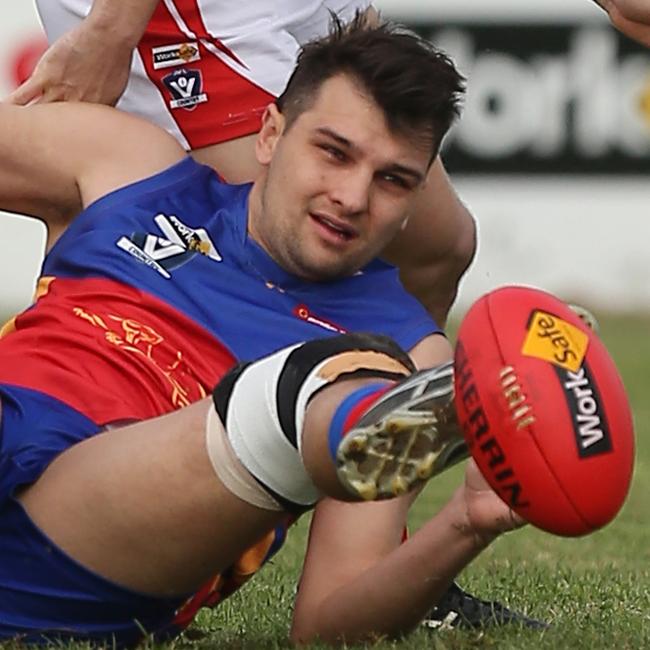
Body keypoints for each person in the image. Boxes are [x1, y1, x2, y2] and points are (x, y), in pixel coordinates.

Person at [0, 19, 533, 645]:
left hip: (77, 542)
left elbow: (327, 627)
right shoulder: (130, 167)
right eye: (333, 152)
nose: (353, 196)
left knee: (341, 378)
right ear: (270, 133)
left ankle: (387, 407)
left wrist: (465, 524)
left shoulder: (402, 350)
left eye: (393, 180)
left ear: (416, 199)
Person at [11, 0, 476, 331]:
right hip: (189, 13)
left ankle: (374, 448)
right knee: (267, 264)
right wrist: (111, 29)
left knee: (440, 246)